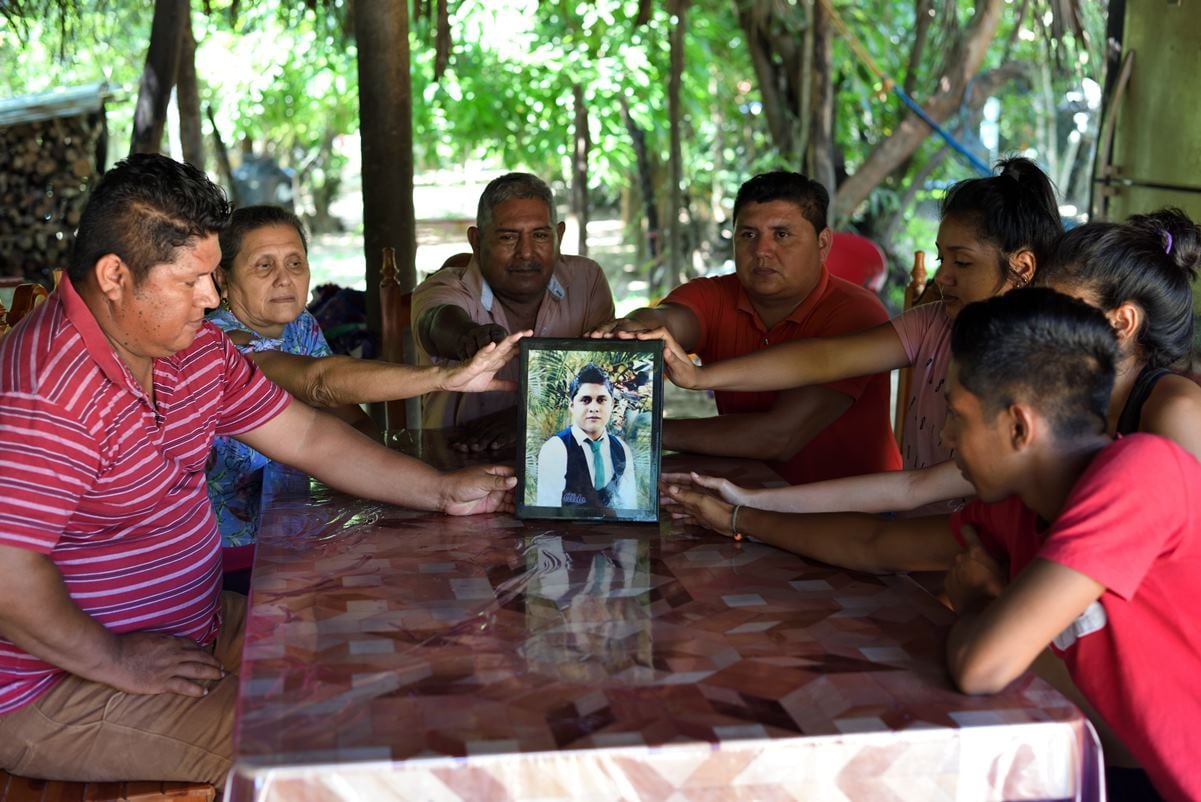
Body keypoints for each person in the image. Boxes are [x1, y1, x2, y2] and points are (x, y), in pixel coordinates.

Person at [0, 154, 515, 789]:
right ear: (114, 276)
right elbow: (6, 574)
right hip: (54, 683)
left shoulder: (193, 350)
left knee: (390, 663)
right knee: (318, 757)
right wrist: (116, 660)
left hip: (193, 625)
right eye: (192, 281)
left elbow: (305, 435)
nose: (212, 300)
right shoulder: (46, 391)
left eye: (215, 277)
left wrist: (440, 491)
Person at [668, 288, 1201, 802]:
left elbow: (981, 667)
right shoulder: (1016, 509)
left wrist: (974, 602)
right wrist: (738, 517)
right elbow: (875, 542)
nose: (945, 437)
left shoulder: (1139, 474)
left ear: (1018, 426)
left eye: (958, 415)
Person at [658, 158, 1061, 513]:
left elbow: (912, 490)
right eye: (941, 258)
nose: (943, 276)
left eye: (962, 261)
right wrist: (699, 378)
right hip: (915, 523)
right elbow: (822, 359)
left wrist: (748, 509)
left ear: (1022, 266)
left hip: (961, 540)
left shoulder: (1043, 364)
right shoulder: (933, 322)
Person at [206, 205, 526, 566]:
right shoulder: (220, 342)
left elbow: (350, 422)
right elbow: (319, 382)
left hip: (292, 529)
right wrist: (444, 378)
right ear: (222, 277)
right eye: (264, 265)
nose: (284, 278)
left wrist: (394, 488)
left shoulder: (300, 326)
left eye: (295, 263)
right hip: (231, 550)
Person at [591, 170, 901, 486]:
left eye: (782, 234)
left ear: (823, 243)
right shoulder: (714, 294)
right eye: (749, 235)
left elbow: (779, 437)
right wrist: (634, 329)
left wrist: (638, 431)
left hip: (855, 510)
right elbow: (669, 320)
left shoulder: (855, 313)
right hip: (745, 487)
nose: (762, 250)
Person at [413, 173, 615, 449]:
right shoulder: (446, 286)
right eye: (508, 237)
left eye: (541, 236)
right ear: (476, 240)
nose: (526, 252)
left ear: (559, 236)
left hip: (569, 464)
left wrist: (524, 419)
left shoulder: (586, 280)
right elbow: (435, 322)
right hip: (456, 464)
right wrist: (469, 338)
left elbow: (604, 381)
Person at [535, 363, 637, 509]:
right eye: (585, 400)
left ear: (612, 404)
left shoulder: (622, 449)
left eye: (601, 400)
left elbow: (629, 507)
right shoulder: (556, 448)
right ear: (572, 405)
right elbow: (548, 509)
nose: (594, 408)